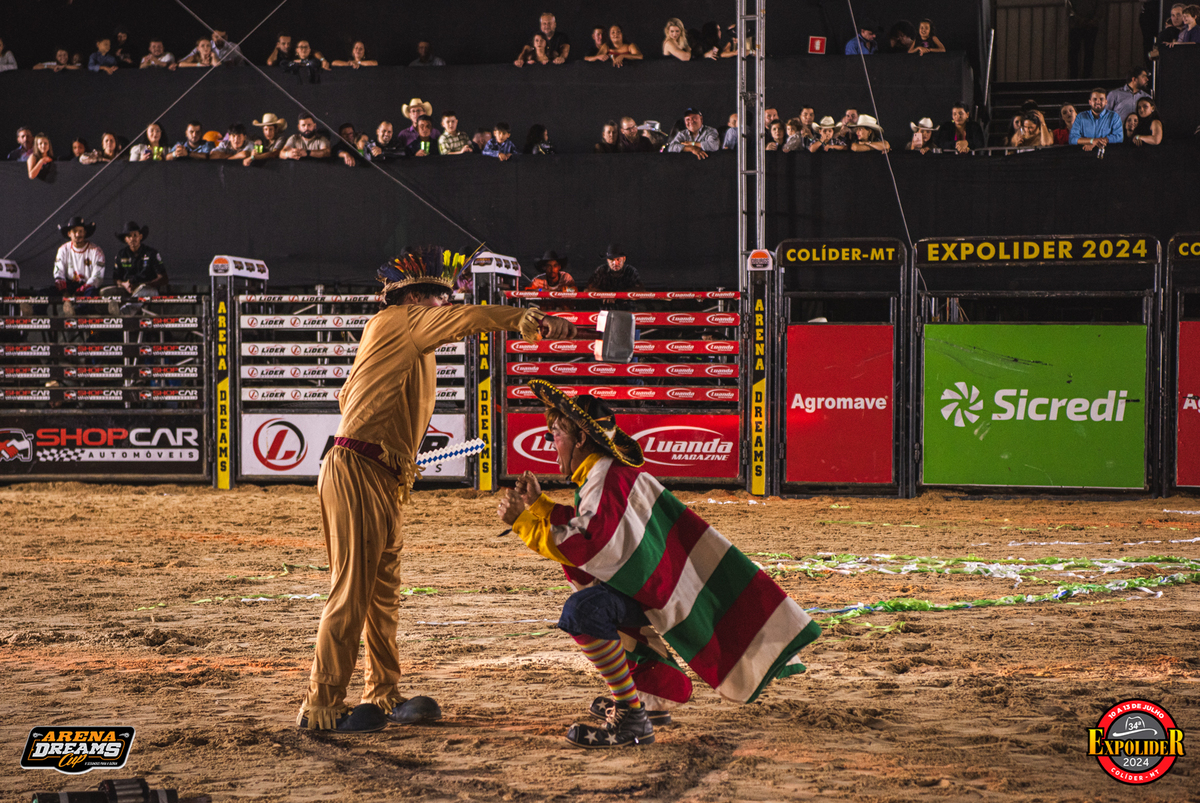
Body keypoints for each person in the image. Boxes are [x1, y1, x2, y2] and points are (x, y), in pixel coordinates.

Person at [294, 247, 574, 733]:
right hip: (359, 469)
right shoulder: (401, 320)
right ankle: (322, 705)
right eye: (440, 298)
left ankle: (382, 693)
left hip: (381, 473)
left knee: (382, 596)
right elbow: (466, 319)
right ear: (416, 299)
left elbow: (346, 397)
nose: (447, 306)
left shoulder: (398, 337)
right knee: (353, 590)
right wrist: (520, 318)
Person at [497, 381, 820, 748]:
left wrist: (523, 522)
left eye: (555, 434)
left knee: (583, 612)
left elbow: (590, 545)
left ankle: (632, 715)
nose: (550, 442)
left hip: (662, 592)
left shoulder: (603, 478)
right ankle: (648, 699)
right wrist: (539, 507)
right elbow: (595, 529)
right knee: (595, 604)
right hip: (663, 587)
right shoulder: (605, 473)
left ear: (582, 438)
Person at [102, 221, 168, 315]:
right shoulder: (121, 255)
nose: (132, 239)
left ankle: (123, 314)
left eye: (135, 235)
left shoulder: (151, 253)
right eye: (129, 236)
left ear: (140, 236)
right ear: (125, 239)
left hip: (149, 290)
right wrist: (124, 284)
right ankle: (104, 318)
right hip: (128, 289)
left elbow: (164, 279)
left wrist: (143, 284)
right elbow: (116, 279)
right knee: (105, 292)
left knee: (144, 290)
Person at [49, 216, 105, 316]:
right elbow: (58, 272)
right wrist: (64, 291)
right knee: (45, 292)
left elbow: (97, 277)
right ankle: (33, 313)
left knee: (91, 294)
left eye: (81, 231)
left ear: (85, 233)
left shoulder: (96, 251)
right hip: (68, 286)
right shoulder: (63, 249)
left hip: (88, 286)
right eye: (74, 231)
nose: (78, 234)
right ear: (69, 234)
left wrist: (81, 290)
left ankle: (75, 313)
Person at [1068, 0, 1107, 78]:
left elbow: (1069, 6)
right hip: (1087, 25)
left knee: (1080, 53)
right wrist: (1093, 20)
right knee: (1085, 52)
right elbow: (1100, 6)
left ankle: (1076, 77)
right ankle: (1085, 77)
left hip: (1077, 25)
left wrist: (1078, 19)